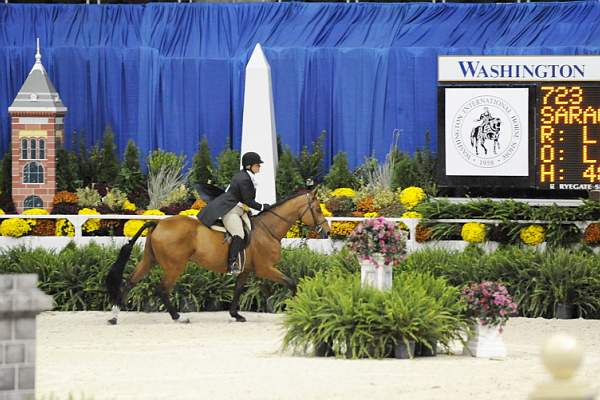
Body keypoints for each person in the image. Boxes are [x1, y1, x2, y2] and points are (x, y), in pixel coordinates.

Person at [198, 151, 271, 274]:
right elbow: (248, 200)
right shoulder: (244, 179)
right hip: (230, 210)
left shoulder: (246, 176)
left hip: (239, 209)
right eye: (257, 165)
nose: (259, 167)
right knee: (239, 234)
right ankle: (231, 263)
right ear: (249, 166)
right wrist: (263, 207)